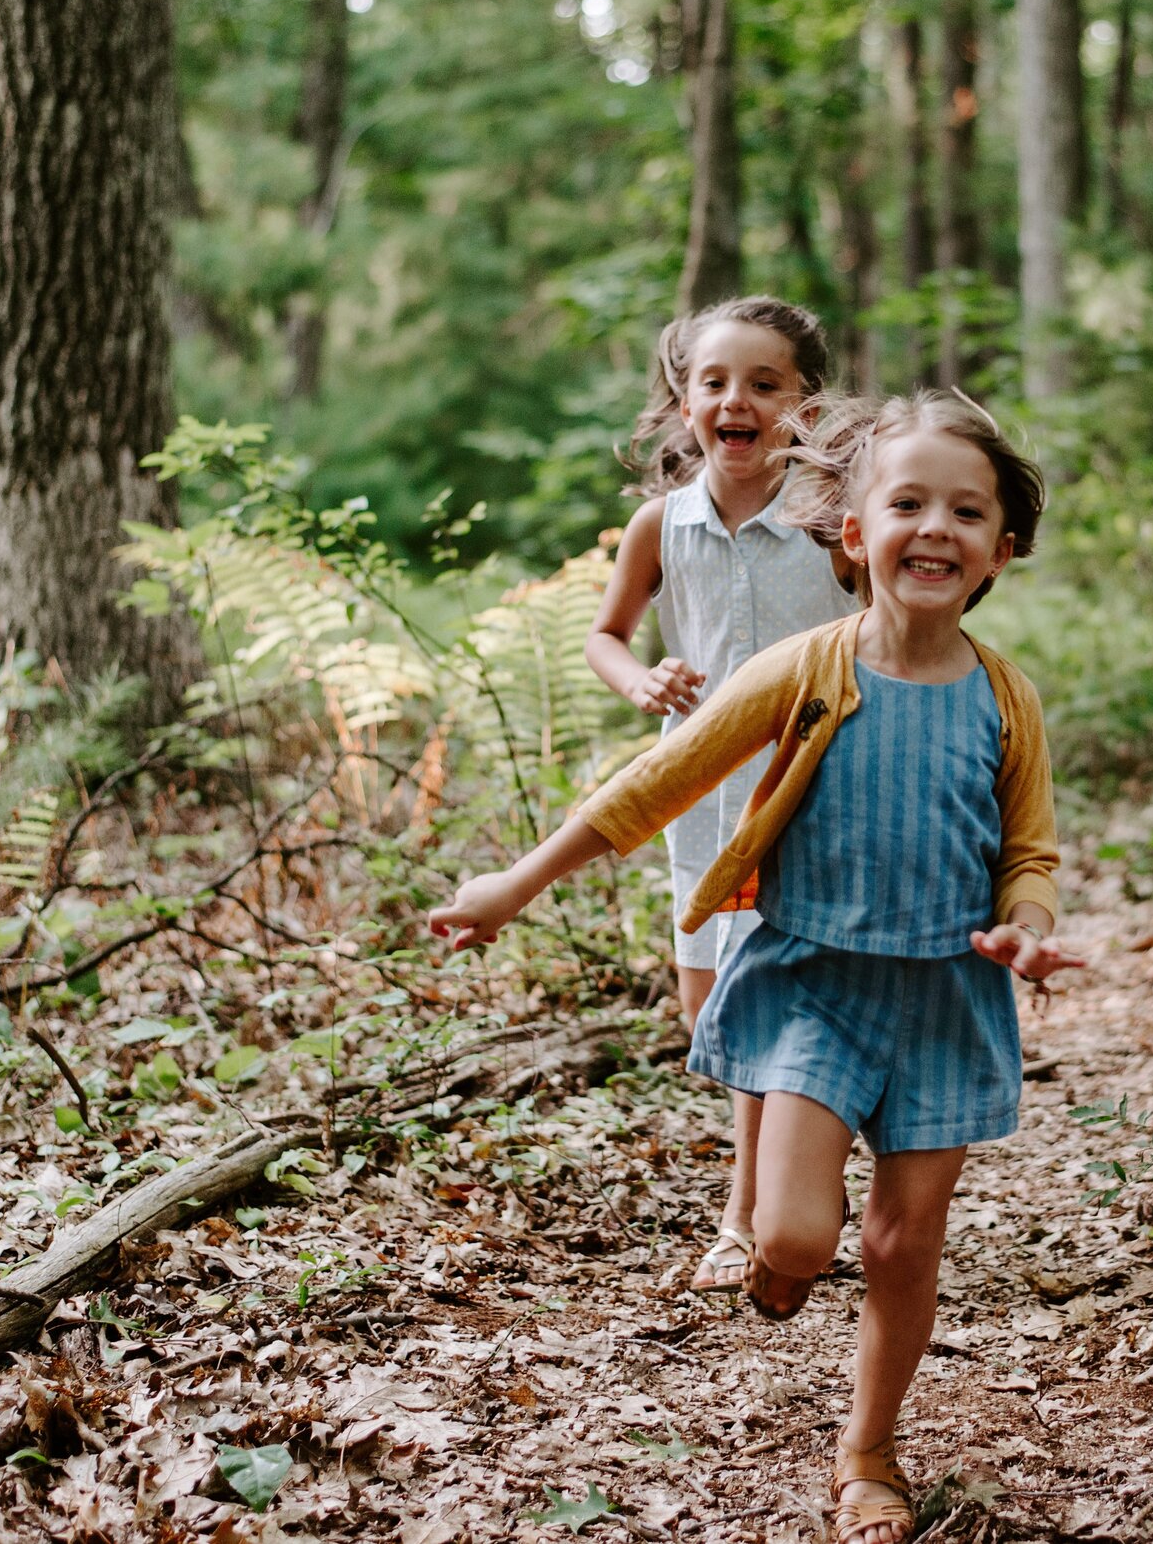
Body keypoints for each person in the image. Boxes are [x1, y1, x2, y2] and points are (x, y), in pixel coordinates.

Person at [434, 390, 1087, 1544]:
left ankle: (869, 1455)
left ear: (1002, 545)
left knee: (901, 1244)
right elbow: (661, 779)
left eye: (966, 511)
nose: (934, 528)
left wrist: (1024, 925)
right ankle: (784, 1261)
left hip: (946, 997)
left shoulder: (1004, 696)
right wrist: (514, 885)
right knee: (792, 1236)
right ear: (852, 532)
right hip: (815, 988)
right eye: (907, 503)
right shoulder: (805, 668)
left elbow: (1026, 850)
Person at [583, 296, 859, 1295]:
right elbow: (607, 635)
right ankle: (792, 1178)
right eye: (714, 382)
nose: (735, 399)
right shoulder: (662, 525)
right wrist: (639, 679)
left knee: (761, 1003)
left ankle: (746, 1219)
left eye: (763, 383)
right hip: (696, 802)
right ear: (684, 401)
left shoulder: (832, 525)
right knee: (709, 1007)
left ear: (802, 404)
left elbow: (888, 630)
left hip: (805, 801)